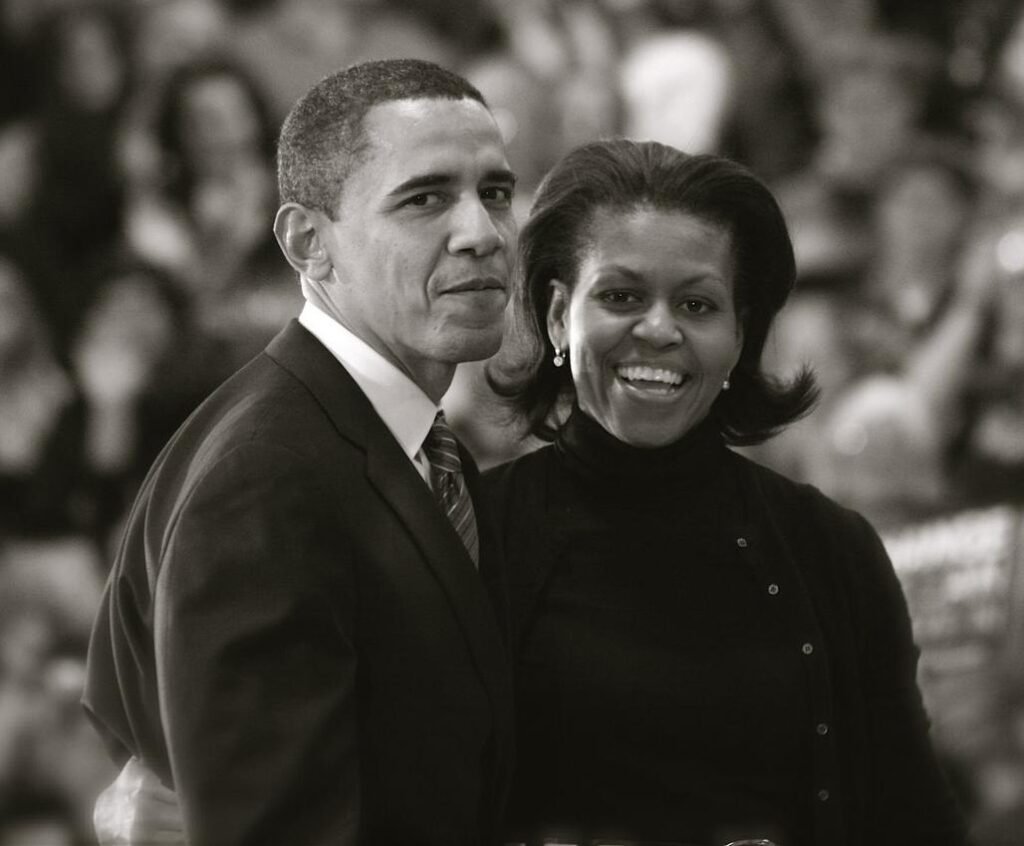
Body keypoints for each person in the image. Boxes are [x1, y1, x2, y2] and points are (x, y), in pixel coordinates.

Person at [95, 141, 969, 845]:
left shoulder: (831, 549)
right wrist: (149, 806)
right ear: (556, 318)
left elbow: (908, 812)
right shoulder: (465, 530)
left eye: (699, 306)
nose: (657, 330)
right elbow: (331, 776)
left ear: (742, 334)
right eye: (620, 295)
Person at [82, 58, 517, 846]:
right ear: (309, 243)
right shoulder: (264, 479)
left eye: (495, 193)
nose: (482, 234)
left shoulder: (403, 440)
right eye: (425, 198)